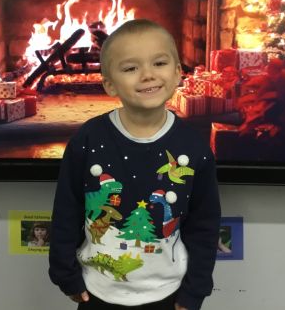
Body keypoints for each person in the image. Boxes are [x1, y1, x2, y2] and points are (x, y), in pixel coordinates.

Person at [49, 19, 221, 310]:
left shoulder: (194, 147)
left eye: (159, 63)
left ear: (178, 72)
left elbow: (205, 223)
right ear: (109, 84)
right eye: (130, 68)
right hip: (97, 292)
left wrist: (196, 289)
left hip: (169, 294)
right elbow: (67, 210)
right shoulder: (88, 139)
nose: (147, 75)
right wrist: (65, 274)